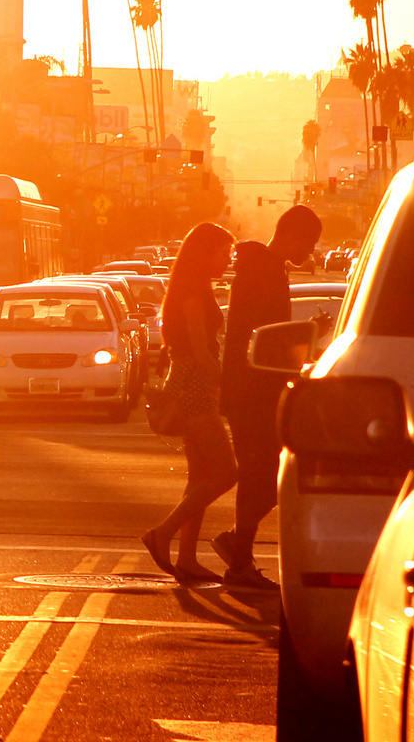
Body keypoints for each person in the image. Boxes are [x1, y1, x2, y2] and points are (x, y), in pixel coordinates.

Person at [212, 204, 323, 591]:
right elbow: (260, 335)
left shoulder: (264, 268)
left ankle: (237, 546)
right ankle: (238, 554)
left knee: (265, 473)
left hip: (257, 387)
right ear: (289, 233)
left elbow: (267, 331)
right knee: (265, 472)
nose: (310, 251)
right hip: (254, 389)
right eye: (308, 242)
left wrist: (306, 330)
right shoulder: (262, 269)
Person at [140, 222, 237, 585]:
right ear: (204, 253)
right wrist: (228, 384)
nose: (227, 260)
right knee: (227, 472)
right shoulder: (194, 293)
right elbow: (199, 352)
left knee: (199, 477)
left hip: (189, 384)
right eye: (223, 253)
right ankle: (162, 533)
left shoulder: (196, 288)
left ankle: (187, 559)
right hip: (193, 387)